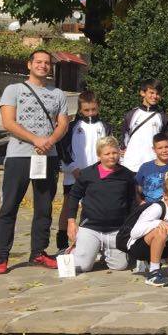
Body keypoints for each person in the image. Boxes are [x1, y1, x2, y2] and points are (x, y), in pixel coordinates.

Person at [0, 49, 69, 274]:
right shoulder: (13, 90)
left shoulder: (58, 94)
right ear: (29, 64)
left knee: (44, 207)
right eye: (39, 62)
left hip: (48, 157)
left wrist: (49, 141)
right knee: (9, 206)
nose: (43, 66)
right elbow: (8, 122)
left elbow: (63, 124)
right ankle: (2, 256)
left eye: (47, 63)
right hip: (19, 155)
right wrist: (36, 139)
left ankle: (38, 252)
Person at [65, 136, 136, 272]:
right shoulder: (86, 174)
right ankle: (75, 250)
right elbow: (73, 197)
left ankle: (104, 250)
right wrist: (71, 221)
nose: (112, 156)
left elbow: (132, 201)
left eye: (114, 153)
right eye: (107, 154)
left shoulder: (127, 175)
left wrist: (129, 227)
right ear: (99, 155)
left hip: (116, 229)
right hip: (91, 228)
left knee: (120, 266)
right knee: (82, 267)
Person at [56, 91, 111, 251]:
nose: (90, 113)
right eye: (86, 110)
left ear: (98, 107)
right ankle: (62, 243)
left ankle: (90, 243)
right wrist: (72, 168)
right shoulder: (72, 127)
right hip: (74, 175)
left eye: (93, 109)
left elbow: (108, 149)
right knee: (68, 207)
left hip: (97, 176)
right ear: (80, 109)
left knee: (94, 208)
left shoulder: (105, 127)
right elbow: (64, 150)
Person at [121, 78, 168, 172]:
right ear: (143, 93)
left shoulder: (163, 117)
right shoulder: (131, 114)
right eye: (151, 92)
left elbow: (165, 141)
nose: (154, 96)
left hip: (153, 165)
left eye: (157, 94)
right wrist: (123, 150)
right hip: (131, 165)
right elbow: (124, 136)